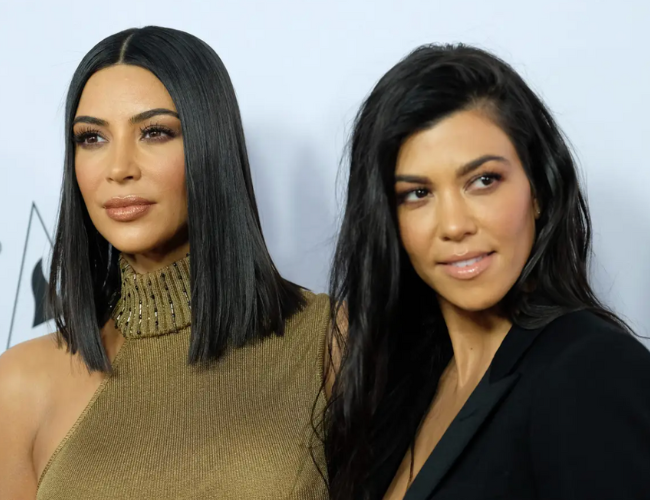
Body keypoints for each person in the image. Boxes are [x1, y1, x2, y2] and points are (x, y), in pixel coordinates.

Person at [0, 26, 329, 500]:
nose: (119, 168)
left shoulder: (330, 341)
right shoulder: (22, 382)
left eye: (154, 132)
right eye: (91, 138)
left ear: (209, 146)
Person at [323, 44, 650, 500]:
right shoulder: (401, 387)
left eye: (483, 181)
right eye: (417, 193)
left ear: (538, 189)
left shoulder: (591, 371)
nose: (455, 225)